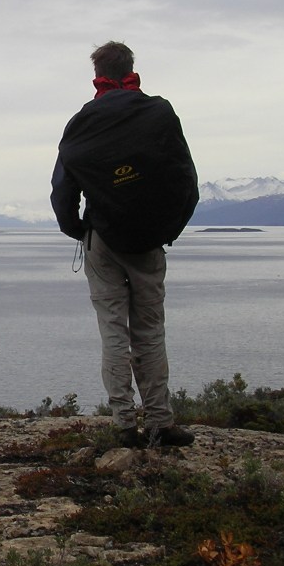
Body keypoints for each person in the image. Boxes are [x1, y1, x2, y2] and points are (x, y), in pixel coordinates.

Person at [50, 41, 198, 448]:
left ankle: (122, 423)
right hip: (148, 240)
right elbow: (186, 179)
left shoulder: (83, 121)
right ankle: (160, 422)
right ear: (132, 69)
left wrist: (77, 228)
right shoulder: (158, 113)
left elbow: (63, 186)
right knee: (150, 330)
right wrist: (168, 228)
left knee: (113, 331)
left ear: (97, 73)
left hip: (102, 239)